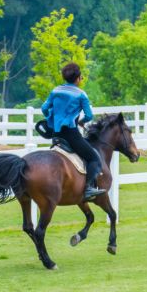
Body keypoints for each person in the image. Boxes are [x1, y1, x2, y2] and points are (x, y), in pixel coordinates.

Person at [41, 62, 106, 201]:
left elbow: (44, 108)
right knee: (94, 158)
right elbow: (89, 116)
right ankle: (88, 189)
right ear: (78, 78)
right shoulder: (81, 94)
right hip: (71, 134)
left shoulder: (55, 91)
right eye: (81, 77)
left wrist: (51, 118)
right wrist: (81, 122)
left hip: (56, 134)